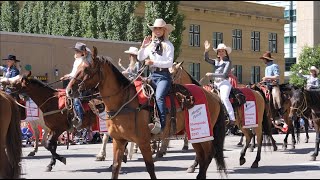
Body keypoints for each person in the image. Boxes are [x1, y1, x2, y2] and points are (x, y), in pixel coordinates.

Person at [137, 18, 175, 133]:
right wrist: (143, 46)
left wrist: (153, 62)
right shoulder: (151, 45)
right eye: (155, 29)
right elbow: (140, 57)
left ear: (164, 30)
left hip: (164, 76)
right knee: (141, 94)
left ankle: (162, 126)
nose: (157, 30)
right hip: (152, 75)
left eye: (159, 29)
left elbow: (169, 63)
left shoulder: (168, 45)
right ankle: (145, 120)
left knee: (159, 97)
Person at [203, 41, 236, 127]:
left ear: (225, 53)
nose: (221, 52)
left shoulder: (228, 62)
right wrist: (206, 50)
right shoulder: (216, 62)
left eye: (222, 51)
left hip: (224, 83)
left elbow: (224, 74)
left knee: (224, 98)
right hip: (215, 83)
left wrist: (211, 74)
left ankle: (232, 118)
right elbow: (206, 59)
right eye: (219, 51)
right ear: (217, 54)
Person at [61, 42, 92, 128]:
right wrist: (66, 76)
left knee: (76, 100)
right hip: (73, 82)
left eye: (77, 51)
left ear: (82, 52)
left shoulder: (85, 61)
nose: (75, 53)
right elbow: (73, 73)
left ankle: (80, 118)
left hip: (80, 85)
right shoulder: (77, 61)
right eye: (75, 51)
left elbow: (79, 74)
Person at [260, 51, 284, 120]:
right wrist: (263, 81)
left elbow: (277, 76)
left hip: (274, 85)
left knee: (276, 95)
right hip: (266, 85)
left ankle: (279, 111)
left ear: (266, 59)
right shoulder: (266, 67)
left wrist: (267, 78)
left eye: (263, 59)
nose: (263, 60)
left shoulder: (274, 66)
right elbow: (267, 78)